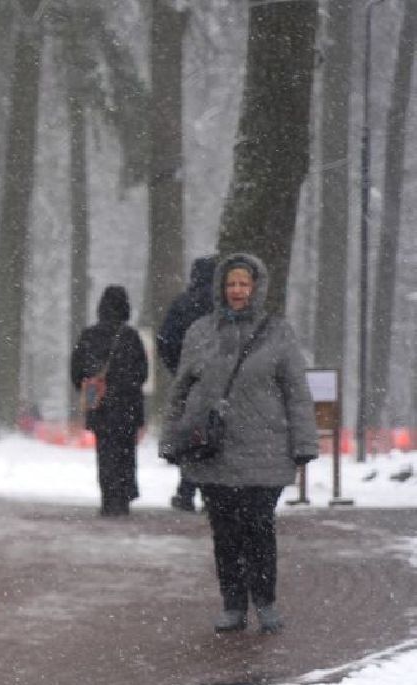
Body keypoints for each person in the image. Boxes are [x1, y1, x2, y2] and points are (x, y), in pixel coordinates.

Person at [165, 253, 317, 634]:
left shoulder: (278, 332)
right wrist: (173, 439)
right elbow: (180, 390)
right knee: (225, 532)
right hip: (214, 452)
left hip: (265, 451)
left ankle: (265, 601)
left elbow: (296, 392)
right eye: (231, 284)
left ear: (256, 288)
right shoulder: (200, 333)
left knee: (259, 529)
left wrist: (303, 444)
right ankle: (233, 605)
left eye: (243, 285)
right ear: (221, 287)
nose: (237, 291)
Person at [69, 284, 149, 517]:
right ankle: (123, 498)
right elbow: (142, 373)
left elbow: (77, 371)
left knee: (105, 454)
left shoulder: (89, 335)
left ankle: (108, 498)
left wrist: (92, 389)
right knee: (125, 453)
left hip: (101, 407)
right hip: (127, 408)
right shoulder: (131, 336)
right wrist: (125, 387)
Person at [156, 256, 218, 511]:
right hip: (219, 381)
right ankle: (212, 492)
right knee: (215, 434)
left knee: (191, 434)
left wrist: (179, 369)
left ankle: (186, 489)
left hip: (189, 380)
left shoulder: (182, 304)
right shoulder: (220, 305)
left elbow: (165, 340)